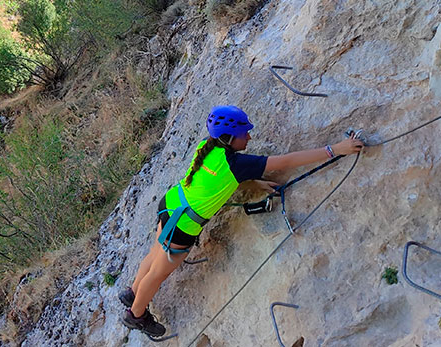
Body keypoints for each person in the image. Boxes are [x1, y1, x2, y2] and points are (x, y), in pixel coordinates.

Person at [120, 105, 365, 336]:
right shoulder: (236, 163)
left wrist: (252, 181)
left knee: (154, 254)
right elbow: (287, 160)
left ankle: (133, 293)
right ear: (229, 138)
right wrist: (335, 149)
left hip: (172, 204)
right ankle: (137, 314)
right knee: (158, 273)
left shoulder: (208, 146)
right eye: (243, 133)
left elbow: (216, 181)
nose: (248, 137)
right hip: (183, 225)